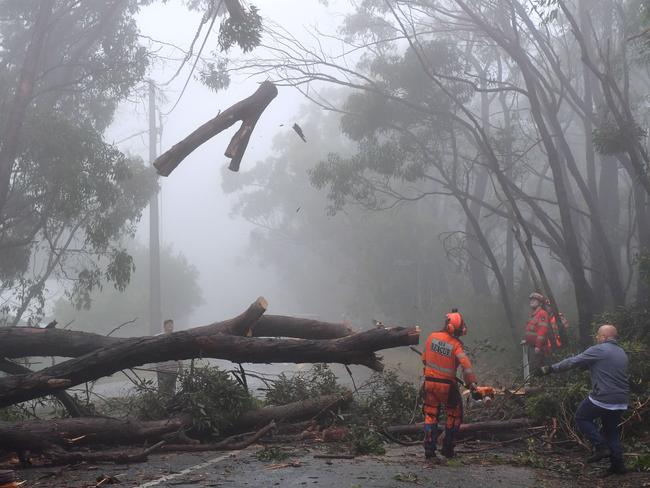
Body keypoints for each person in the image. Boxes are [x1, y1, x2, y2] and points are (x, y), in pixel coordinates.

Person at [539, 324, 629, 475]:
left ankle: (600, 447)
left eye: (598, 336)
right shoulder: (621, 352)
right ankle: (618, 465)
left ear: (604, 337)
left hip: (603, 397)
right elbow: (610, 370)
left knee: (581, 417)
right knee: (611, 430)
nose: (597, 338)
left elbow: (572, 361)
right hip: (621, 399)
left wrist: (550, 369)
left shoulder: (599, 349)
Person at [421, 309, 478, 460]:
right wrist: (471, 384)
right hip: (447, 386)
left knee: (430, 415)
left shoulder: (432, 337)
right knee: (454, 415)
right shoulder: (456, 345)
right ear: (455, 329)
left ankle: (429, 450)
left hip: (429, 384)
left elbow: (424, 360)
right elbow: (466, 366)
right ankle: (447, 450)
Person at [523, 292, 550, 371]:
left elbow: (542, 331)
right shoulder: (533, 314)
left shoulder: (542, 314)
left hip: (538, 348)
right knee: (531, 368)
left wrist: (538, 346)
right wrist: (526, 340)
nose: (531, 301)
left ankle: (539, 382)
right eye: (531, 300)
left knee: (536, 369)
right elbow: (530, 330)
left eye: (534, 300)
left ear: (540, 303)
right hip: (531, 346)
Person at [156, 319, 182, 398]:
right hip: (161, 368)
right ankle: (161, 404)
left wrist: (181, 367)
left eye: (172, 325)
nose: (171, 327)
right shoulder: (158, 337)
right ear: (164, 327)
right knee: (162, 388)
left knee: (172, 388)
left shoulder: (177, 337)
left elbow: (180, 353)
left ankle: (171, 404)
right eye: (168, 325)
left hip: (173, 368)